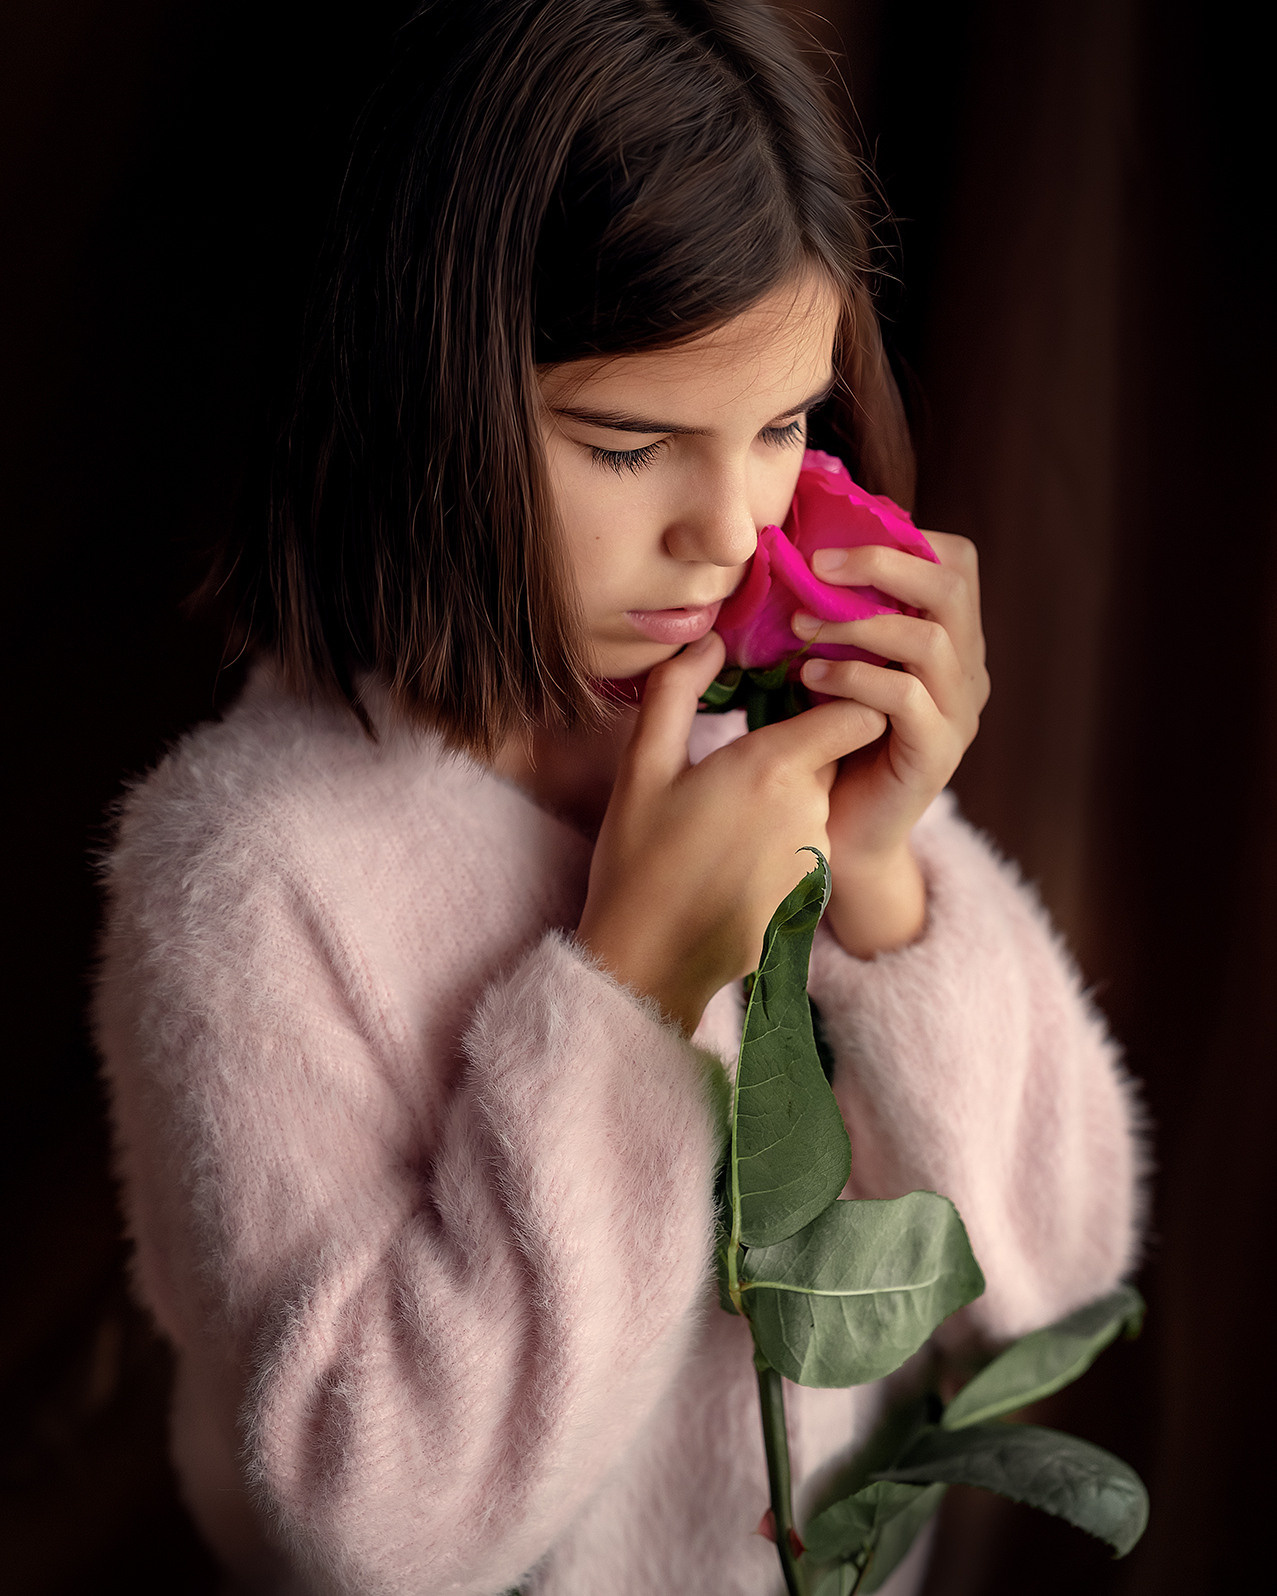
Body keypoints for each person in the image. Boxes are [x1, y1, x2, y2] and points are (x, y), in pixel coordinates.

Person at [93, 3, 1143, 1592]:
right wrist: (629, 987)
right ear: (420, 398)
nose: (725, 528)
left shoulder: (766, 733)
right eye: (630, 443)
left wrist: (877, 876)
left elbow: (1052, 1275)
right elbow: (369, 1530)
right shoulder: (254, 873)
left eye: (780, 426)